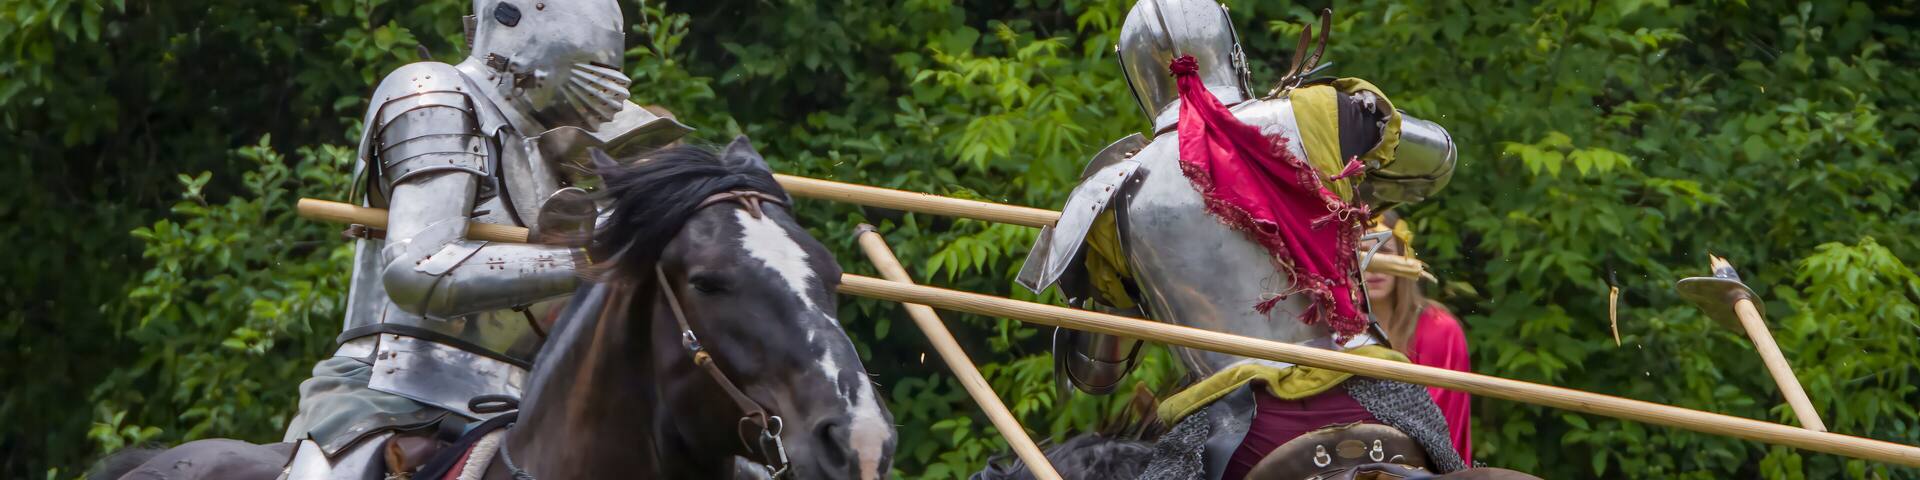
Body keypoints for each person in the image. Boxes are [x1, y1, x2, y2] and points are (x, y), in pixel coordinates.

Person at [1015, 0, 1466, 478]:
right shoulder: (1320, 113)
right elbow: (1437, 160)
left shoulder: (1109, 194)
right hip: (1378, 393)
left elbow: (1095, 375)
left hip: (1232, 429)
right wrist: (1341, 186)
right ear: (1230, 49)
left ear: (1137, 75)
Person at [277, 1, 691, 478]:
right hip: (396, 385)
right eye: (589, 64)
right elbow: (419, 270)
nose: (605, 79)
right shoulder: (436, 95)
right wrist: (588, 260)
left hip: (527, 403)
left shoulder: (557, 142)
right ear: (512, 19)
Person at [1364, 211, 1473, 463]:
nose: (1373, 263)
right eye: (1362, 251)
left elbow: (1439, 421)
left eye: (1385, 252)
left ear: (1404, 259)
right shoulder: (1335, 327)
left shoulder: (1439, 328)